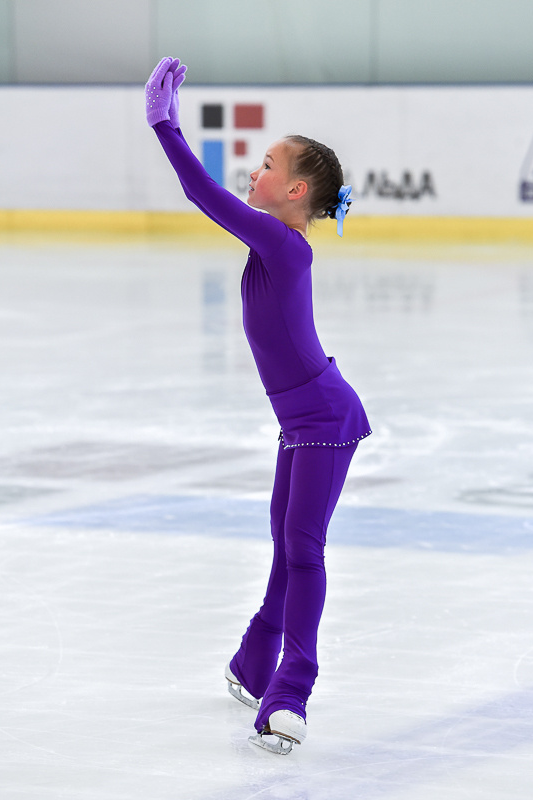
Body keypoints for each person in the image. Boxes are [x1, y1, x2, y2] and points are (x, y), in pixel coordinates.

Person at [146, 58, 371, 755]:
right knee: (286, 543)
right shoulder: (272, 243)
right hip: (301, 421)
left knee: (302, 548)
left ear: (296, 189)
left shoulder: (281, 243)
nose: (254, 169)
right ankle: (252, 663)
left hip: (324, 421)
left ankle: (290, 693)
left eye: (268, 164)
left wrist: (165, 127)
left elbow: (201, 192)